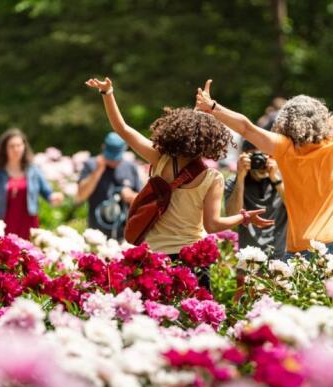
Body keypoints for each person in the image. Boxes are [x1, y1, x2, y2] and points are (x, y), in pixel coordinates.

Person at [195, 22, 333, 260]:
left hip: (301, 247)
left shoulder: (283, 147)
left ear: (286, 122)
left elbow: (246, 127)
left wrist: (214, 108)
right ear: (321, 115)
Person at [84, 76, 273, 262]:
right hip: (191, 257)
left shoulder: (160, 159)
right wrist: (244, 217)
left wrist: (107, 92)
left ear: (177, 131)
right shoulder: (212, 178)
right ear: (212, 140)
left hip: (155, 258)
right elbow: (213, 224)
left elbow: (122, 129)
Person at [0, 128, 64, 240]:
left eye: (19, 145)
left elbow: (47, 193)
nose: (16, 149)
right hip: (4, 224)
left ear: (24, 147)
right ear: (5, 149)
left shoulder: (33, 170)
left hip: (29, 223)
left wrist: (55, 197)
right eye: (12, 146)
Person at [225, 140, 288, 259]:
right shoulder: (234, 183)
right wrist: (240, 178)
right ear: (244, 157)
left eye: (264, 156)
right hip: (249, 262)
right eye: (255, 157)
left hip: (281, 263)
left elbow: (297, 211)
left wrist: (276, 179)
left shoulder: (283, 179)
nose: (259, 162)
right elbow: (232, 216)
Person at [75, 132, 142, 240]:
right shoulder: (91, 164)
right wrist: (98, 170)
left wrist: (130, 196)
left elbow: (142, 201)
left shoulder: (130, 167)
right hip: (96, 236)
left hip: (125, 235)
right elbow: (80, 196)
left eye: (116, 158)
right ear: (103, 147)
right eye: (110, 157)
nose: (113, 161)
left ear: (124, 149)